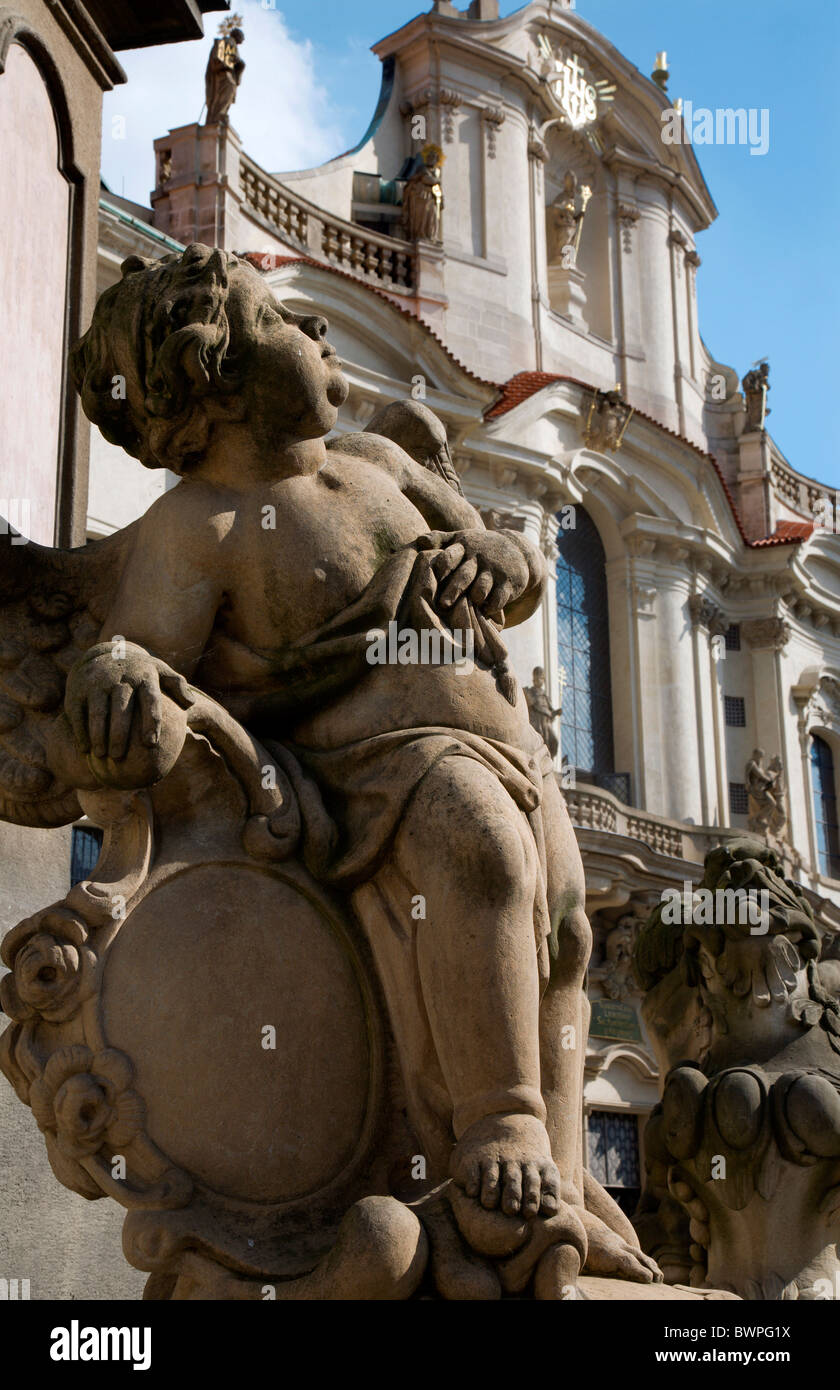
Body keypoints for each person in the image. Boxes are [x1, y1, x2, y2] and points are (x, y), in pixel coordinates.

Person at [67, 243, 659, 1285]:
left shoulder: (382, 467)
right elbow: (146, 659)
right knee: (477, 858)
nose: (323, 334)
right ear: (212, 377)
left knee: (564, 939)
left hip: (508, 744)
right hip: (384, 774)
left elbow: (509, 568)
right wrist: (117, 667)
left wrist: (503, 559)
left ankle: (565, 1186)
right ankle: (501, 1125)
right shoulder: (197, 528)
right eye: (289, 322)